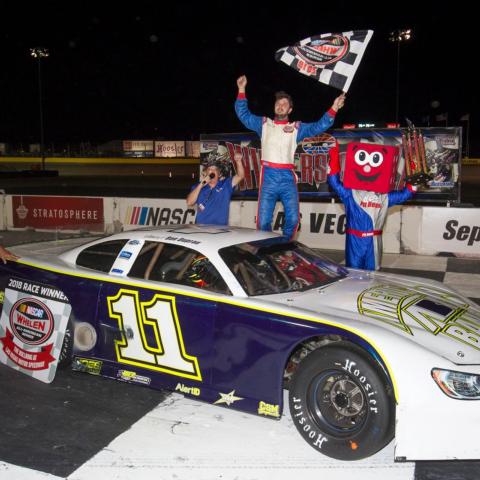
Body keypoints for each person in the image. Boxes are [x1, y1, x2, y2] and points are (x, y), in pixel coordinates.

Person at [235, 74, 345, 240]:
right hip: (268, 177)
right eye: (278, 104)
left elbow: (319, 125)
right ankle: (266, 249)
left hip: (287, 177)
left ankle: (285, 247)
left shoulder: (296, 128)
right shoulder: (263, 124)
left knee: (293, 220)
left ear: (290, 110)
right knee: (263, 221)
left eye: (284, 104)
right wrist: (242, 89)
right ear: (274, 107)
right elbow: (243, 114)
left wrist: (334, 108)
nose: (280, 106)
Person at [327, 142, 416, 271]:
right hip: (354, 242)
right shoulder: (350, 193)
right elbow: (334, 183)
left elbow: (405, 194)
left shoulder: (383, 197)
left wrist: (414, 178)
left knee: (373, 276)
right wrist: (334, 155)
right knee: (353, 276)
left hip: (373, 243)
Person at [187, 151, 245, 225]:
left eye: (215, 170)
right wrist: (202, 184)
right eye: (210, 169)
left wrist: (238, 161)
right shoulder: (197, 187)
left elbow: (240, 176)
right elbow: (189, 202)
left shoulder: (226, 185)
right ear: (205, 172)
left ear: (219, 174)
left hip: (220, 231)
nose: (212, 171)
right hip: (201, 230)